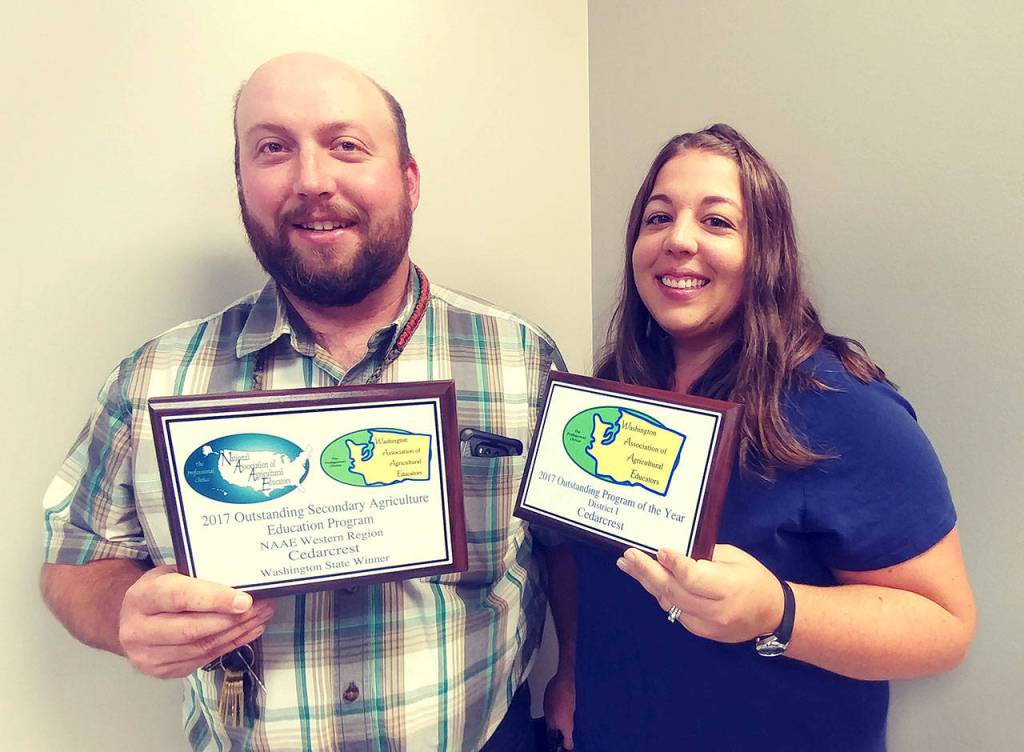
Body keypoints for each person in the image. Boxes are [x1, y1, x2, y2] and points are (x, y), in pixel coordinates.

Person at [40, 52, 575, 751]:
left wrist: (574, 672)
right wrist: (122, 614)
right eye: (273, 149)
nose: (312, 180)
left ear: (409, 181)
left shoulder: (522, 357)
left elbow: (565, 547)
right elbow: (76, 558)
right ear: (242, 183)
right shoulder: (151, 379)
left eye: (346, 146)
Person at [570, 124, 976, 751]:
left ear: (767, 252)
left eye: (717, 223)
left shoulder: (843, 406)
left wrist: (778, 611)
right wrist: (569, 679)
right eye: (658, 218)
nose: (679, 241)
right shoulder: (613, 396)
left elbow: (946, 627)